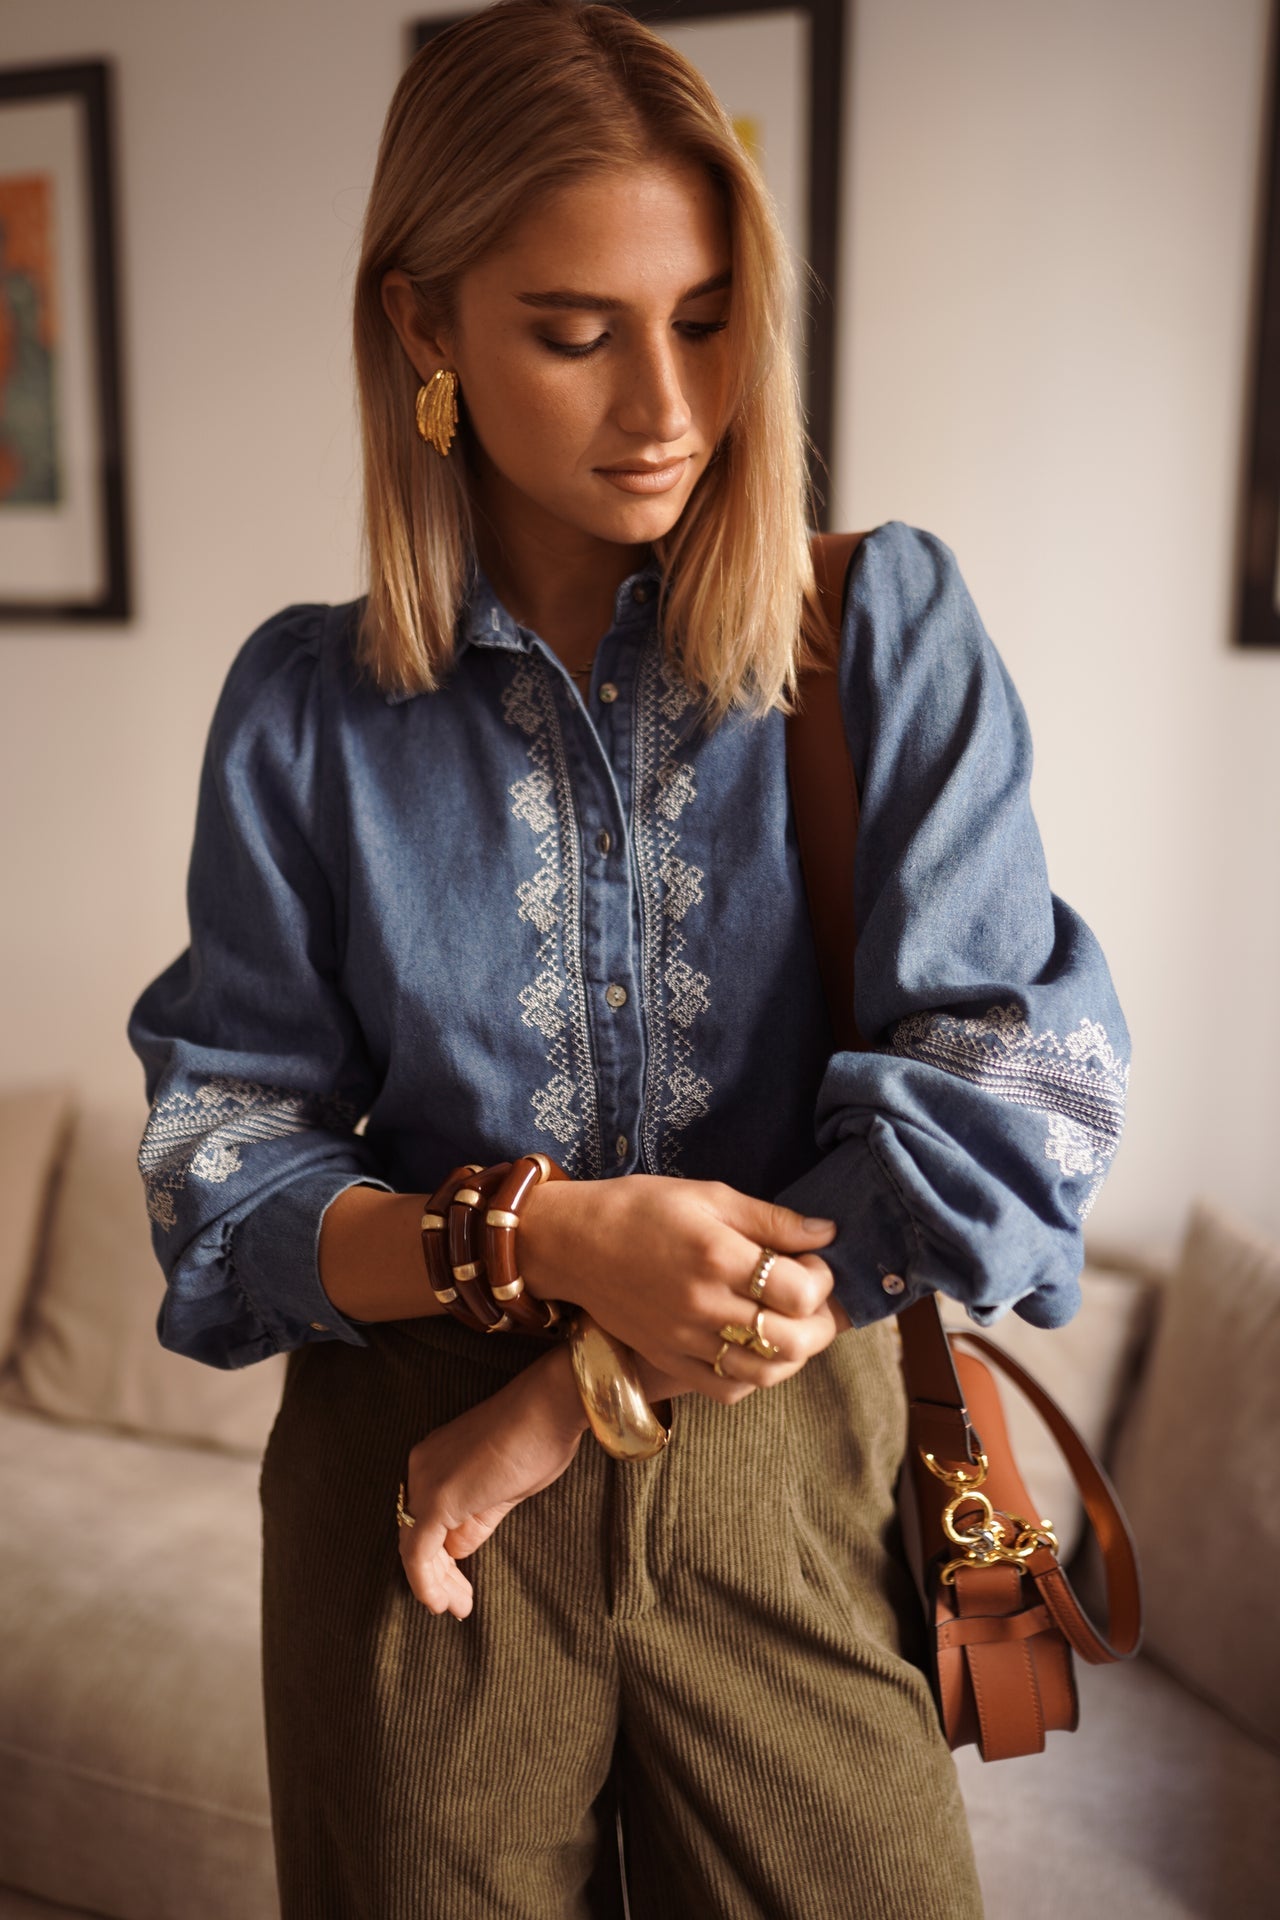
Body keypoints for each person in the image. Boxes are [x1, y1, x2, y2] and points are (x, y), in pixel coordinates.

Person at [127, 2, 1130, 1914]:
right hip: (410, 1512)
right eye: (576, 333)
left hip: (783, 1486)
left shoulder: (883, 632)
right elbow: (219, 1169)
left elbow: (1004, 1111)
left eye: (709, 317)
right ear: (424, 327)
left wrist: (567, 1396)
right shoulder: (304, 709)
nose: (668, 404)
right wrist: (543, 1242)